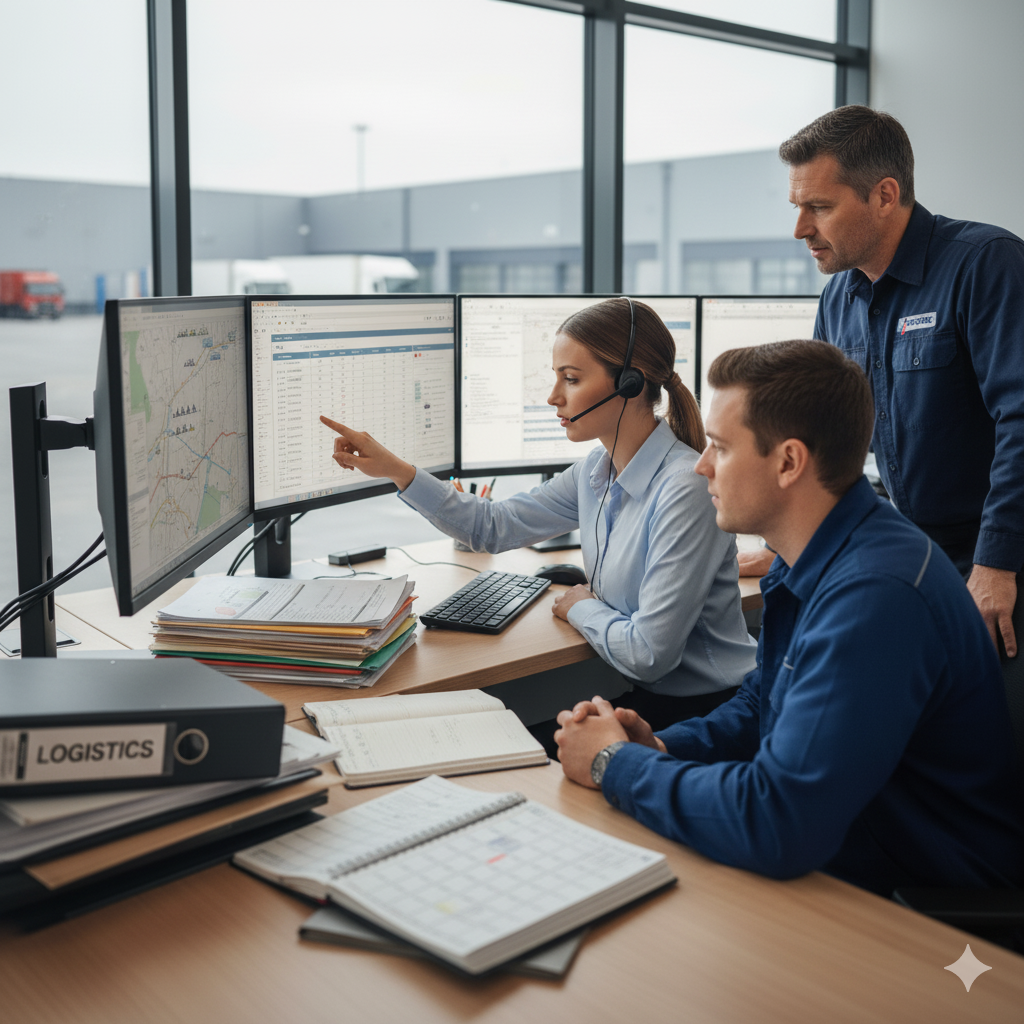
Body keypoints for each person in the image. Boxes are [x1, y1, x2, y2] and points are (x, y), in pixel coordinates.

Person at [555, 340, 1023, 896]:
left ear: (789, 462)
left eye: (721, 448)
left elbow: (779, 821)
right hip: (860, 859)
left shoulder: (875, 595)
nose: (701, 465)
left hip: (925, 910)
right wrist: (659, 747)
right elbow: (765, 703)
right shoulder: (829, 552)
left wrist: (614, 764)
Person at [321, 297, 756, 730]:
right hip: (649, 702)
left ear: (629, 384)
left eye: (571, 379)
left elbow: (648, 656)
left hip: (711, 714)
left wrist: (582, 605)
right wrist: (397, 471)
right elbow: (492, 527)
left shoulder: (685, 488)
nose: (553, 397)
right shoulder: (595, 471)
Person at [742, 105, 1024, 659]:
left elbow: (1020, 417)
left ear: (885, 195)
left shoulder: (985, 264)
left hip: (999, 560)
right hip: (915, 551)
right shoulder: (839, 299)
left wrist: (998, 562)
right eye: (798, 207)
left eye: (819, 207)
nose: (800, 229)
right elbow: (826, 443)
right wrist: (797, 542)